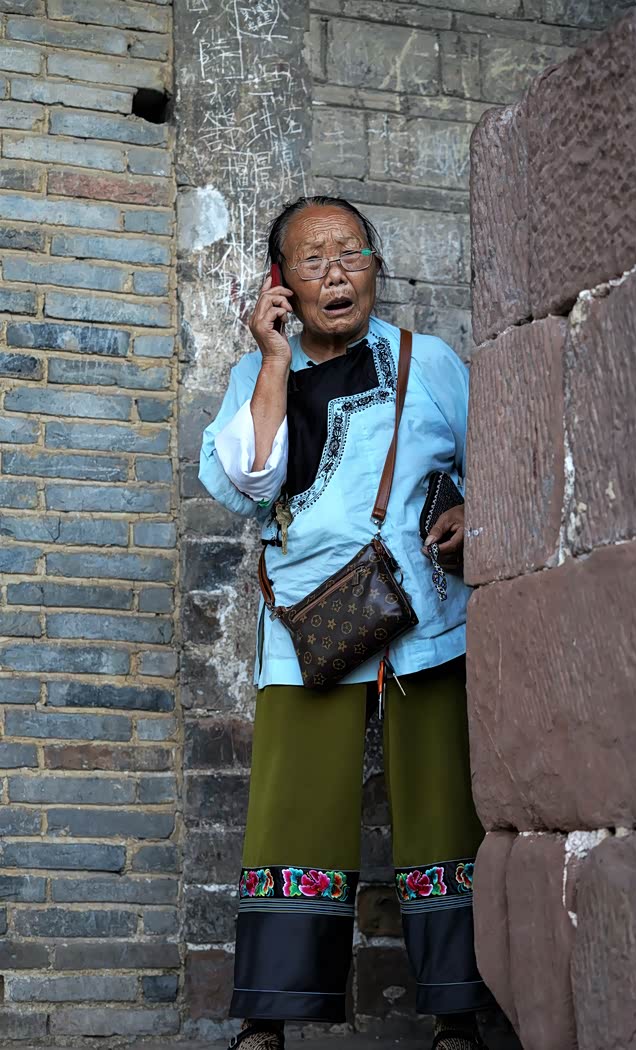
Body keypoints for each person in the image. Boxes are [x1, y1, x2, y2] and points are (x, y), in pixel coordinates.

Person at [199, 195, 496, 1050]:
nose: (336, 274)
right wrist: (272, 359)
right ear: (282, 283)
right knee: (291, 813)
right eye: (313, 260)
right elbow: (248, 482)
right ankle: (268, 1018)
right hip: (310, 627)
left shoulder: (427, 362)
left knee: (444, 810)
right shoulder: (258, 373)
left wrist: (473, 510)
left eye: (351, 254)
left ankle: (457, 1015)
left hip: (424, 624)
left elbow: (498, 463)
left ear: (375, 267)